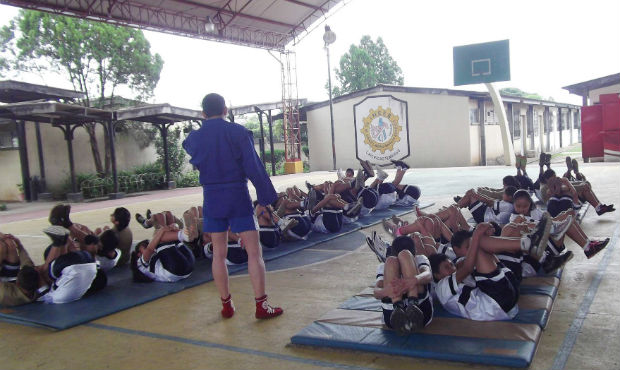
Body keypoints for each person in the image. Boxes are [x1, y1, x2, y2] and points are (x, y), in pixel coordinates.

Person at [182, 92, 282, 320]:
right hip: (237, 194)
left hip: (212, 197)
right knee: (254, 253)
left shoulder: (195, 138)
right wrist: (267, 197)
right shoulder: (237, 133)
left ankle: (226, 306)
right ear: (225, 110)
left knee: (218, 254)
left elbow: (189, 145)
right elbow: (254, 167)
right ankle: (261, 306)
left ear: (203, 114)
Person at [429, 218, 551, 321]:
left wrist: (484, 235)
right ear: (437, 275)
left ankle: (529, 244)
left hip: (505, 297)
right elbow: (467, 267)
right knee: (478, 243)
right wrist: (476, 236)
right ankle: (529, 244)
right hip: (495, 304)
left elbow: (467, 262)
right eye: (446, 267)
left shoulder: (458, 275)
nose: (452, 268)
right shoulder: (442, 287)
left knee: (480, 243)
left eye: (451, 264)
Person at [373, 236, 433, 335]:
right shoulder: (385, 266)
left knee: (405, 255)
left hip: (422, 312)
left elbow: (428, 275)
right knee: (391, 261)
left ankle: (413, 304)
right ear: (415, 250)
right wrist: (386, 291)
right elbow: (376, 292)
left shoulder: (420, 258)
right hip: (391, 316)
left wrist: (413, 280)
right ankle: (398, 307)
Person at [0, 233, 39, 307]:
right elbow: (27, 262)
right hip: (10, 281)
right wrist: (19, 245)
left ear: (17, 283)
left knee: (1, 247)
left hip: (4, 285)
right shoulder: (31, 279)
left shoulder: (5, 294)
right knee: (9, 243)